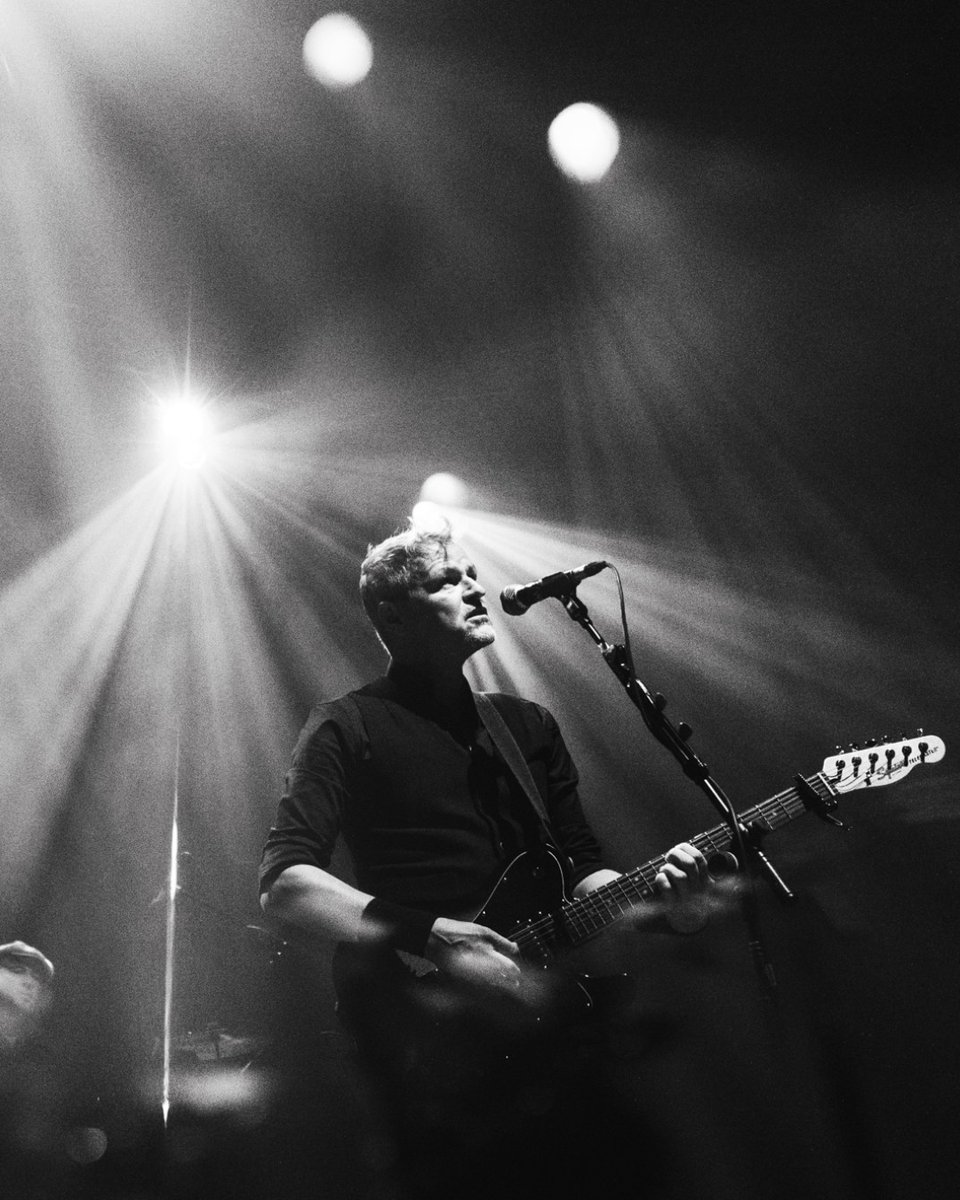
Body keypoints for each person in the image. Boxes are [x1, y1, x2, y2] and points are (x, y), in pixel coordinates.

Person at [259, 524, 713, 1198]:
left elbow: (581, 868)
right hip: (429, 1046)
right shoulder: (345, 725)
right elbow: (286, 884)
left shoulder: (527, 725)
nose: (474, 588)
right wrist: (433, 935)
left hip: (547, 1044)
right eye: (447, 580)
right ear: (392, 615)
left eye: (472, 574)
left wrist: (662, 903)